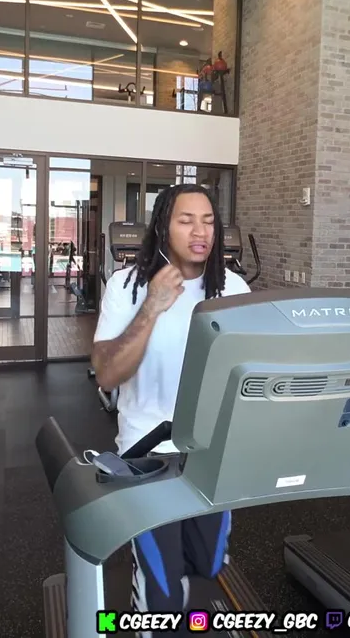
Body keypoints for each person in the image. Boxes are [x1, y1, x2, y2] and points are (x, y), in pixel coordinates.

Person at [89, 183, 250, 634]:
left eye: (209, 221)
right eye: (186, 221)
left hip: (210, 451)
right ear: (163, 226)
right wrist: (152, 308)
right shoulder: (128, 285)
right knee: (162, 589)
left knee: (209, 562)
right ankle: (151, 609)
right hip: (147, 451)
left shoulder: (233, 287)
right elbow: (106, 375)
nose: (201, 232)